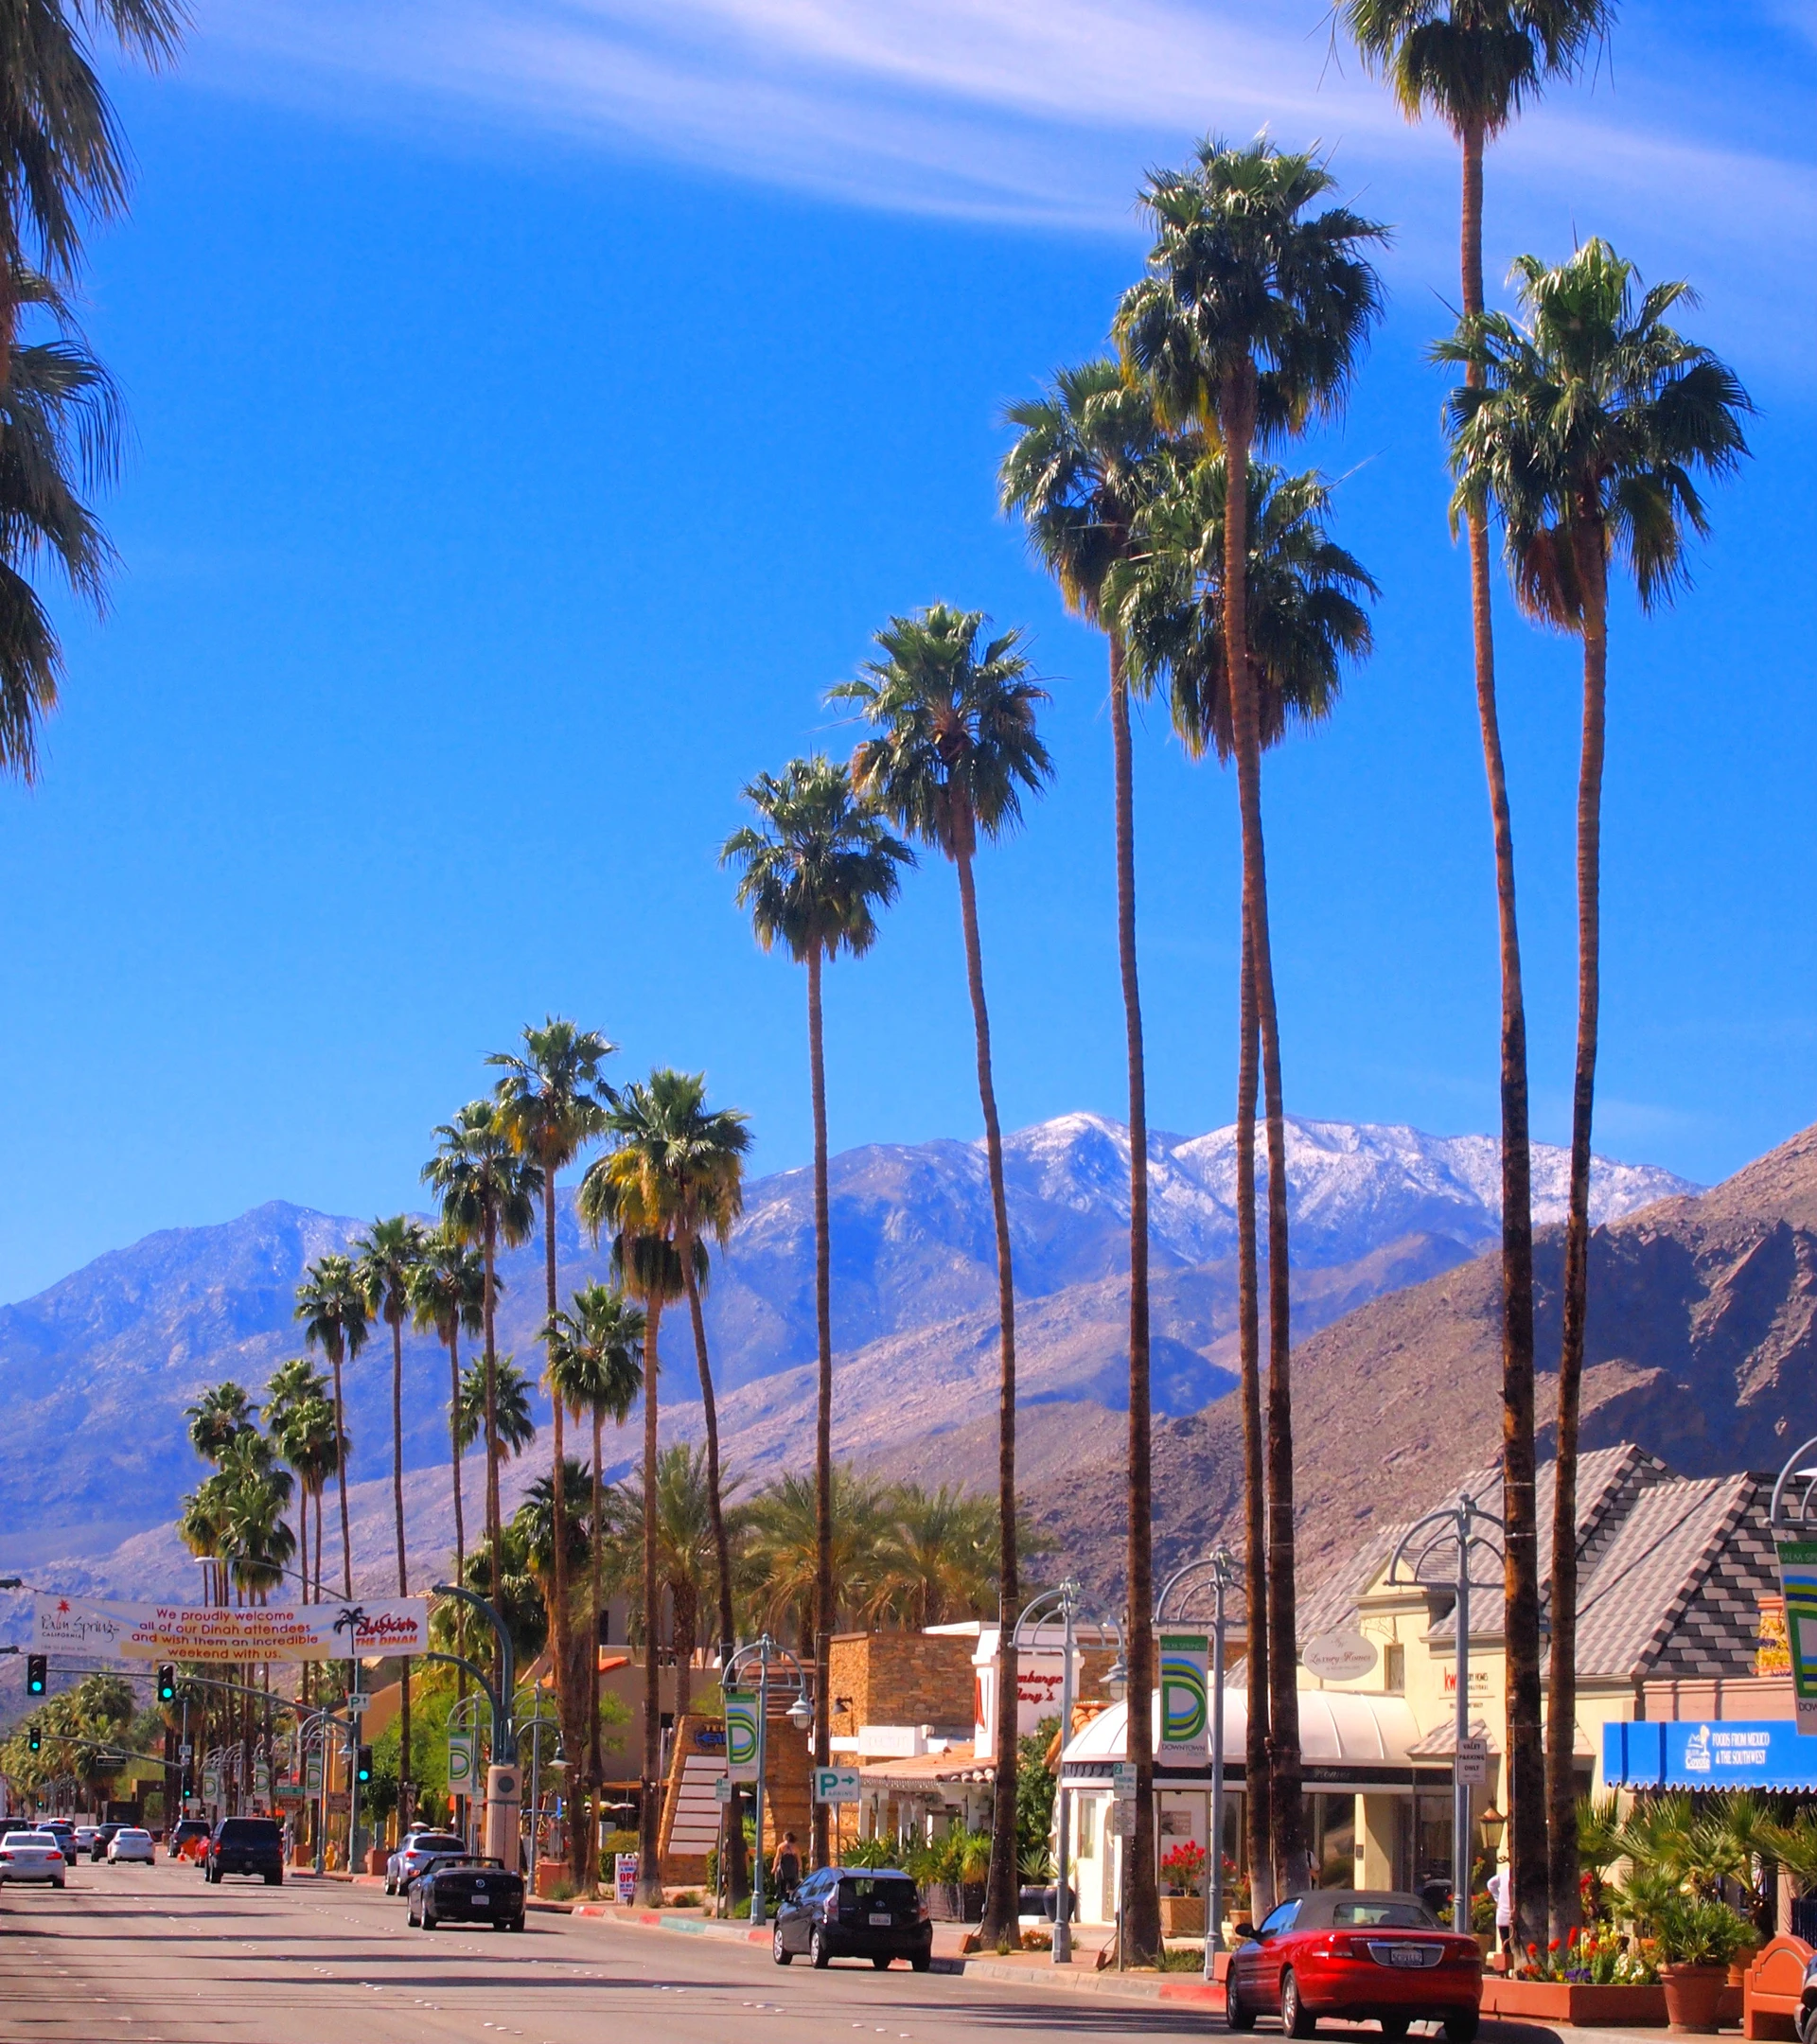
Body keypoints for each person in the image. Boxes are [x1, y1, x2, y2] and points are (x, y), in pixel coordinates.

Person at [1486, 1858, 1513, 1967]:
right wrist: (1497, 1898)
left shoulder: (1504, 1874)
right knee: (1513, 1947)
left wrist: (1497, 1898)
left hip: (1502, 1917)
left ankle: (1505, 1970)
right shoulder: (1509, 1875)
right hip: (1510, 1917)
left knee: (1505, 1946)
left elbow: (1490, 1884)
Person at [771, 1830, 802, 1900]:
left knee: (783, 1883)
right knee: (792, 1884)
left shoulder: (781, 1846)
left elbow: (777, 1858)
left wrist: (774, 1867)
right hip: (793, 1868)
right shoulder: (795, 1847)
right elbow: (798, 1858)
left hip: (783, 1868)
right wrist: (800, 1867)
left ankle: (783, 1897)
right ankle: (791, 1897)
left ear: (786, 1837)